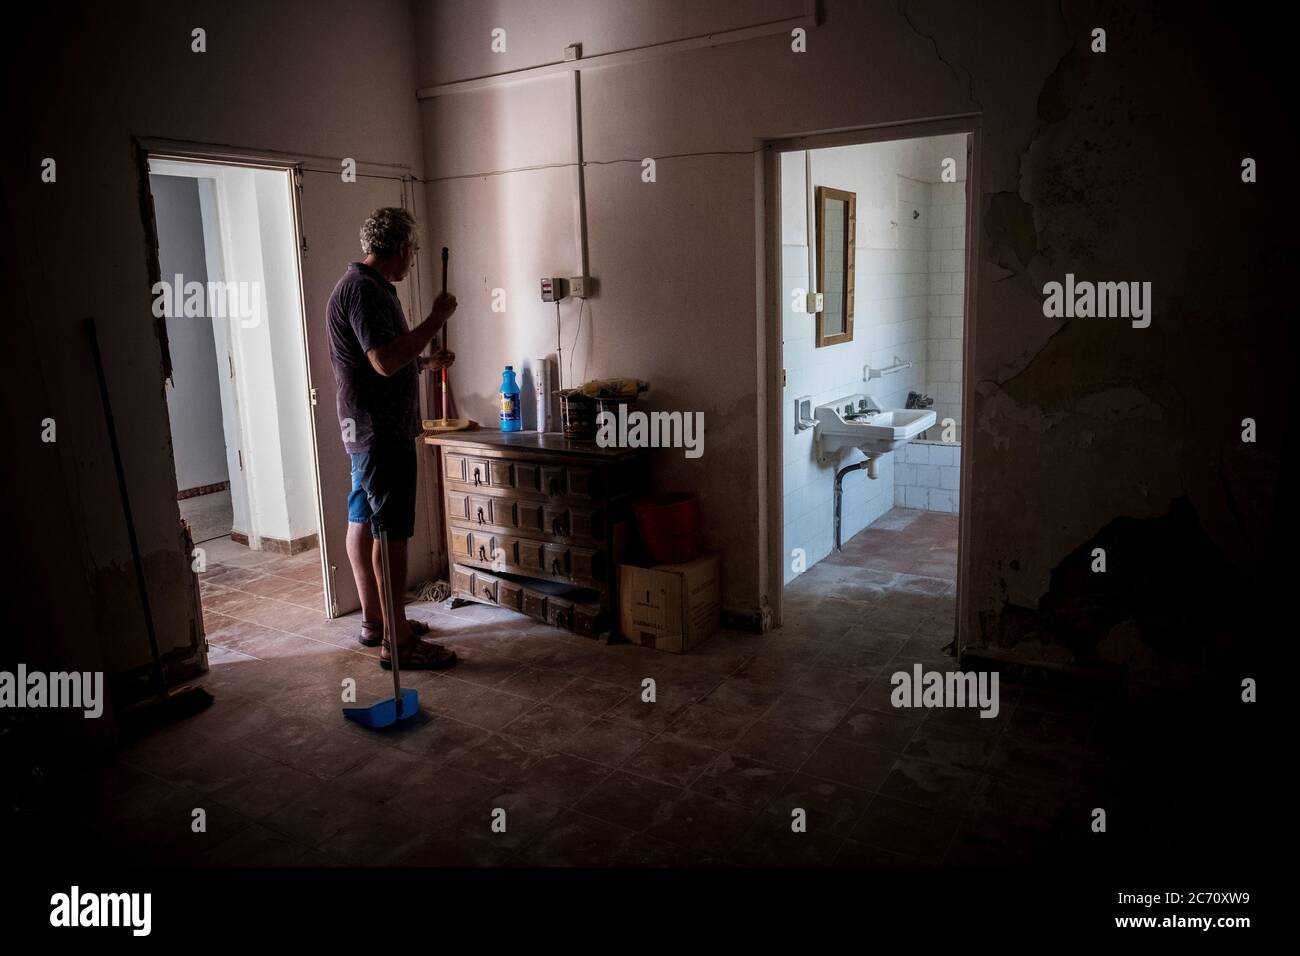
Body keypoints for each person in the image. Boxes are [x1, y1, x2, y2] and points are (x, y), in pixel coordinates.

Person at [326, 207, 458, 668]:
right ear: (400, 248)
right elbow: (383, 360)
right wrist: (434, 320)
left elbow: (378, 365)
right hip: (381, 432)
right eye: (413, 251)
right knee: (392, 531)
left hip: (364, 429)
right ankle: (397, 642)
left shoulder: (362, 286)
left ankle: (376, 620)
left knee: (363, 521)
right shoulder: (366, 291)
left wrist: (424, 364)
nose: (413, 260)